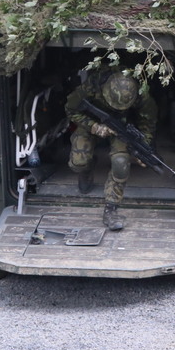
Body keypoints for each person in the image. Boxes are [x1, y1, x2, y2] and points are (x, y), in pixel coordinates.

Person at [65, 70, 158, 231]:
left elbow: (148, 123)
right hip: (90, 122)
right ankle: (86, 169)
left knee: (121, 163)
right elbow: (71, 109)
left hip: (122, 127)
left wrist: (142, 147)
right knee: (79, 162)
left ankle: (111, 209)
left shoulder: (142, 95)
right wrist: (95, 127)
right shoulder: (91, 86)